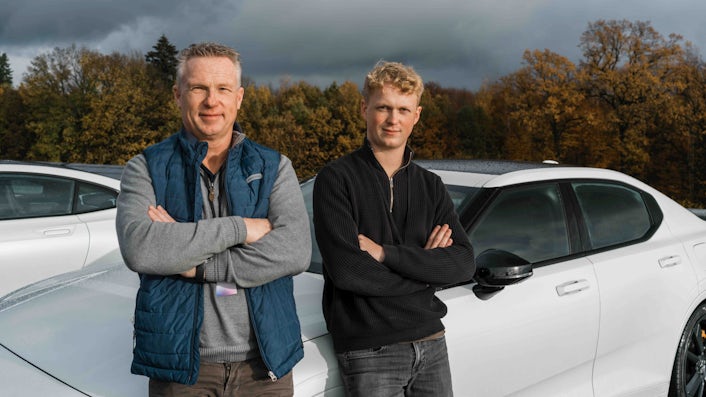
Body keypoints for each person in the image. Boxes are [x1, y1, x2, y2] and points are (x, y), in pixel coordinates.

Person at [116, 42, 311, 396]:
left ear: (239, 98)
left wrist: (191, 258)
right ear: (178, 95)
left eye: (222, 89)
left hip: (265, 366)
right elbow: (141, 249)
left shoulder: (274, 167)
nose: (211, 101)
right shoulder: (145, 167)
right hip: (182, 370)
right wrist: (241, 228)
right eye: (199, 88)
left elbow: (295, 251)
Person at [312, 60, 476, 397]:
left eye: (403, 109)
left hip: (431, 341)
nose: (393, 119)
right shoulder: (336, 179)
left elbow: (463, 263)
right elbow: (348, 272)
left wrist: (386, 253)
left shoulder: (431, 186)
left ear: (416, 115)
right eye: (383, 107)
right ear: (364, 109)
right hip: (370, 350)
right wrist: (428, 268)